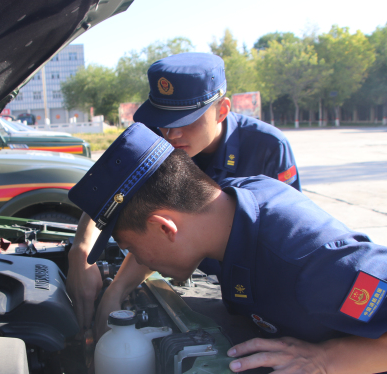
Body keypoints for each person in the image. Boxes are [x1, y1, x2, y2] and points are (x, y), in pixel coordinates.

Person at [68, 123, 387, 374]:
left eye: (132, 248)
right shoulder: (221, 209)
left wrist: (325, 360)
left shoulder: (310, 263)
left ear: (165, 227)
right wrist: (116, 291)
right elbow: (161, 242)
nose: (137, 259)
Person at [67, 52, 300, 333]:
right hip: (182, 272)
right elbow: (113, 193)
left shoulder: (268, 147)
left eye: (186, 119)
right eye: (163, 119)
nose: (171, 134)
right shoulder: (157, 134)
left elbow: (287, 237)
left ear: (222, 110)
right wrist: (82, 252)